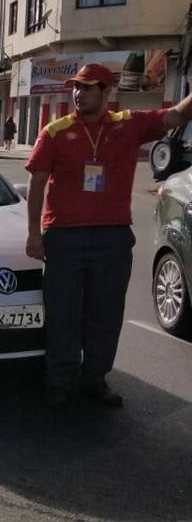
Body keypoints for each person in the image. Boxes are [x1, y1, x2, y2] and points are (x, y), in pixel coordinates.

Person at [25, 63, 192, 409]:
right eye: (76, 87)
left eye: (87, 87)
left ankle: (94, 379)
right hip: (64, 238)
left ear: (107, 92)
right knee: (63, 315)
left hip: (112, 238)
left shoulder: (127, 126)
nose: (78, 93)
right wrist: (34, 234)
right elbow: (37, 182)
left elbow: (176, 116)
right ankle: (59, 383)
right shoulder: (54, 132)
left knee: (105, 315)